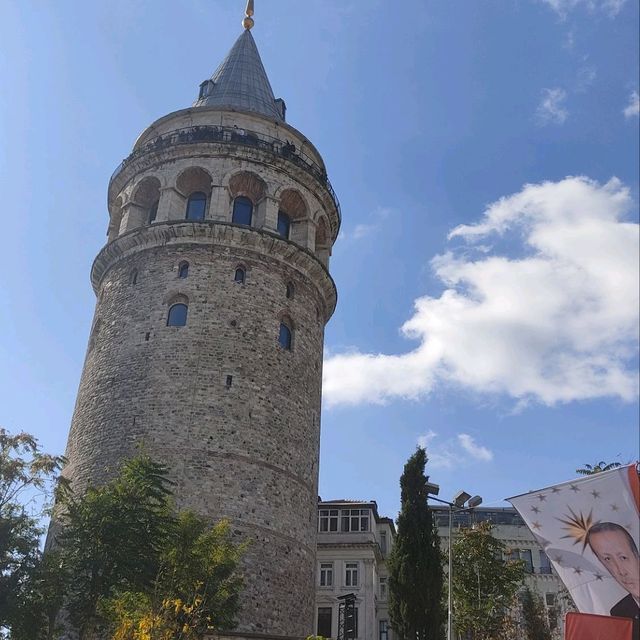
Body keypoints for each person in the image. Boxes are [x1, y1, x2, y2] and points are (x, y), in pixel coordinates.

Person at [587, 521, 640, 639]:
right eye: (608, 559)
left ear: (637, 554)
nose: (621, 571)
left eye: (623, 557)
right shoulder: (620, 614)